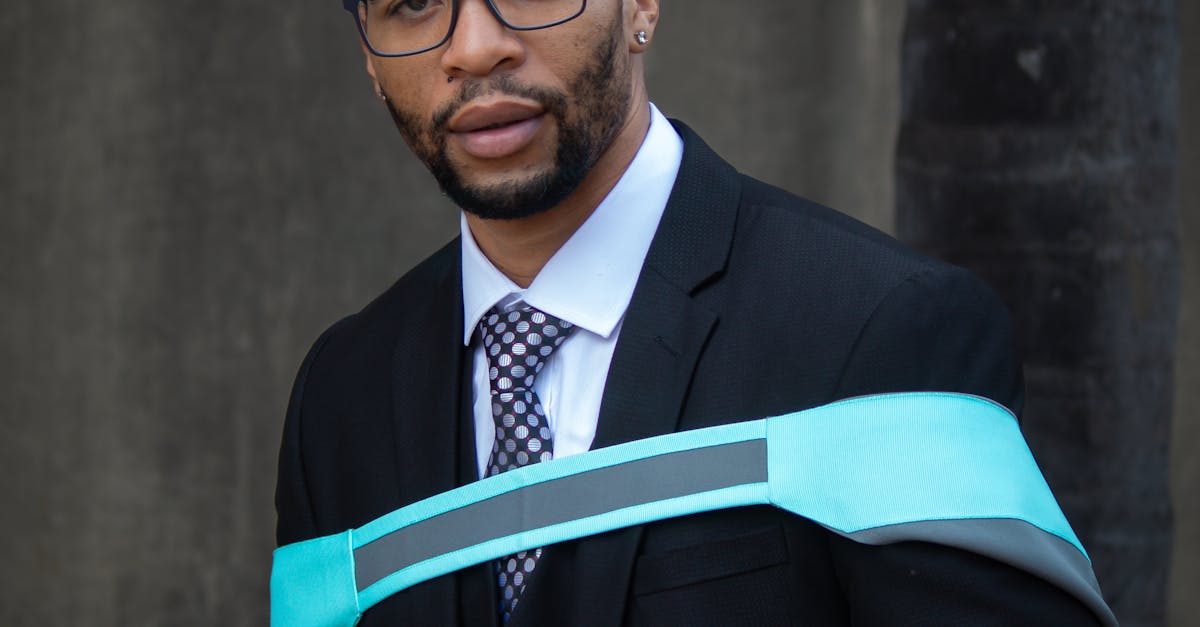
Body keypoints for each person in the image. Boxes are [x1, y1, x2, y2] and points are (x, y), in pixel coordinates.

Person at [274, 1, 1109, 625]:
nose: (475, 46)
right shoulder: (340, 398)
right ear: (370, 56)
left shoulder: (880, 331)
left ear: (639, 4)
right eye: (412, 2)